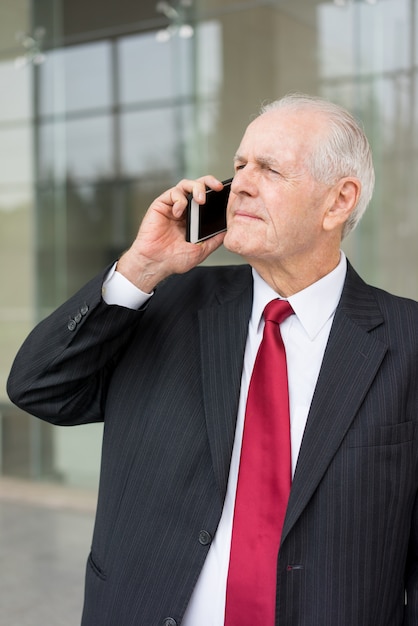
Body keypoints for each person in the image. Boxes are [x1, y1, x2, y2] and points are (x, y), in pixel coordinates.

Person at [7, 93, 418, 626]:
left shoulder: (406, 339)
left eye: (270, 169)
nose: (240, 183)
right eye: (240, 165)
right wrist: (140, 268)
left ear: (338, 201)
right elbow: (40, 388)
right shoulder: (166, 302)